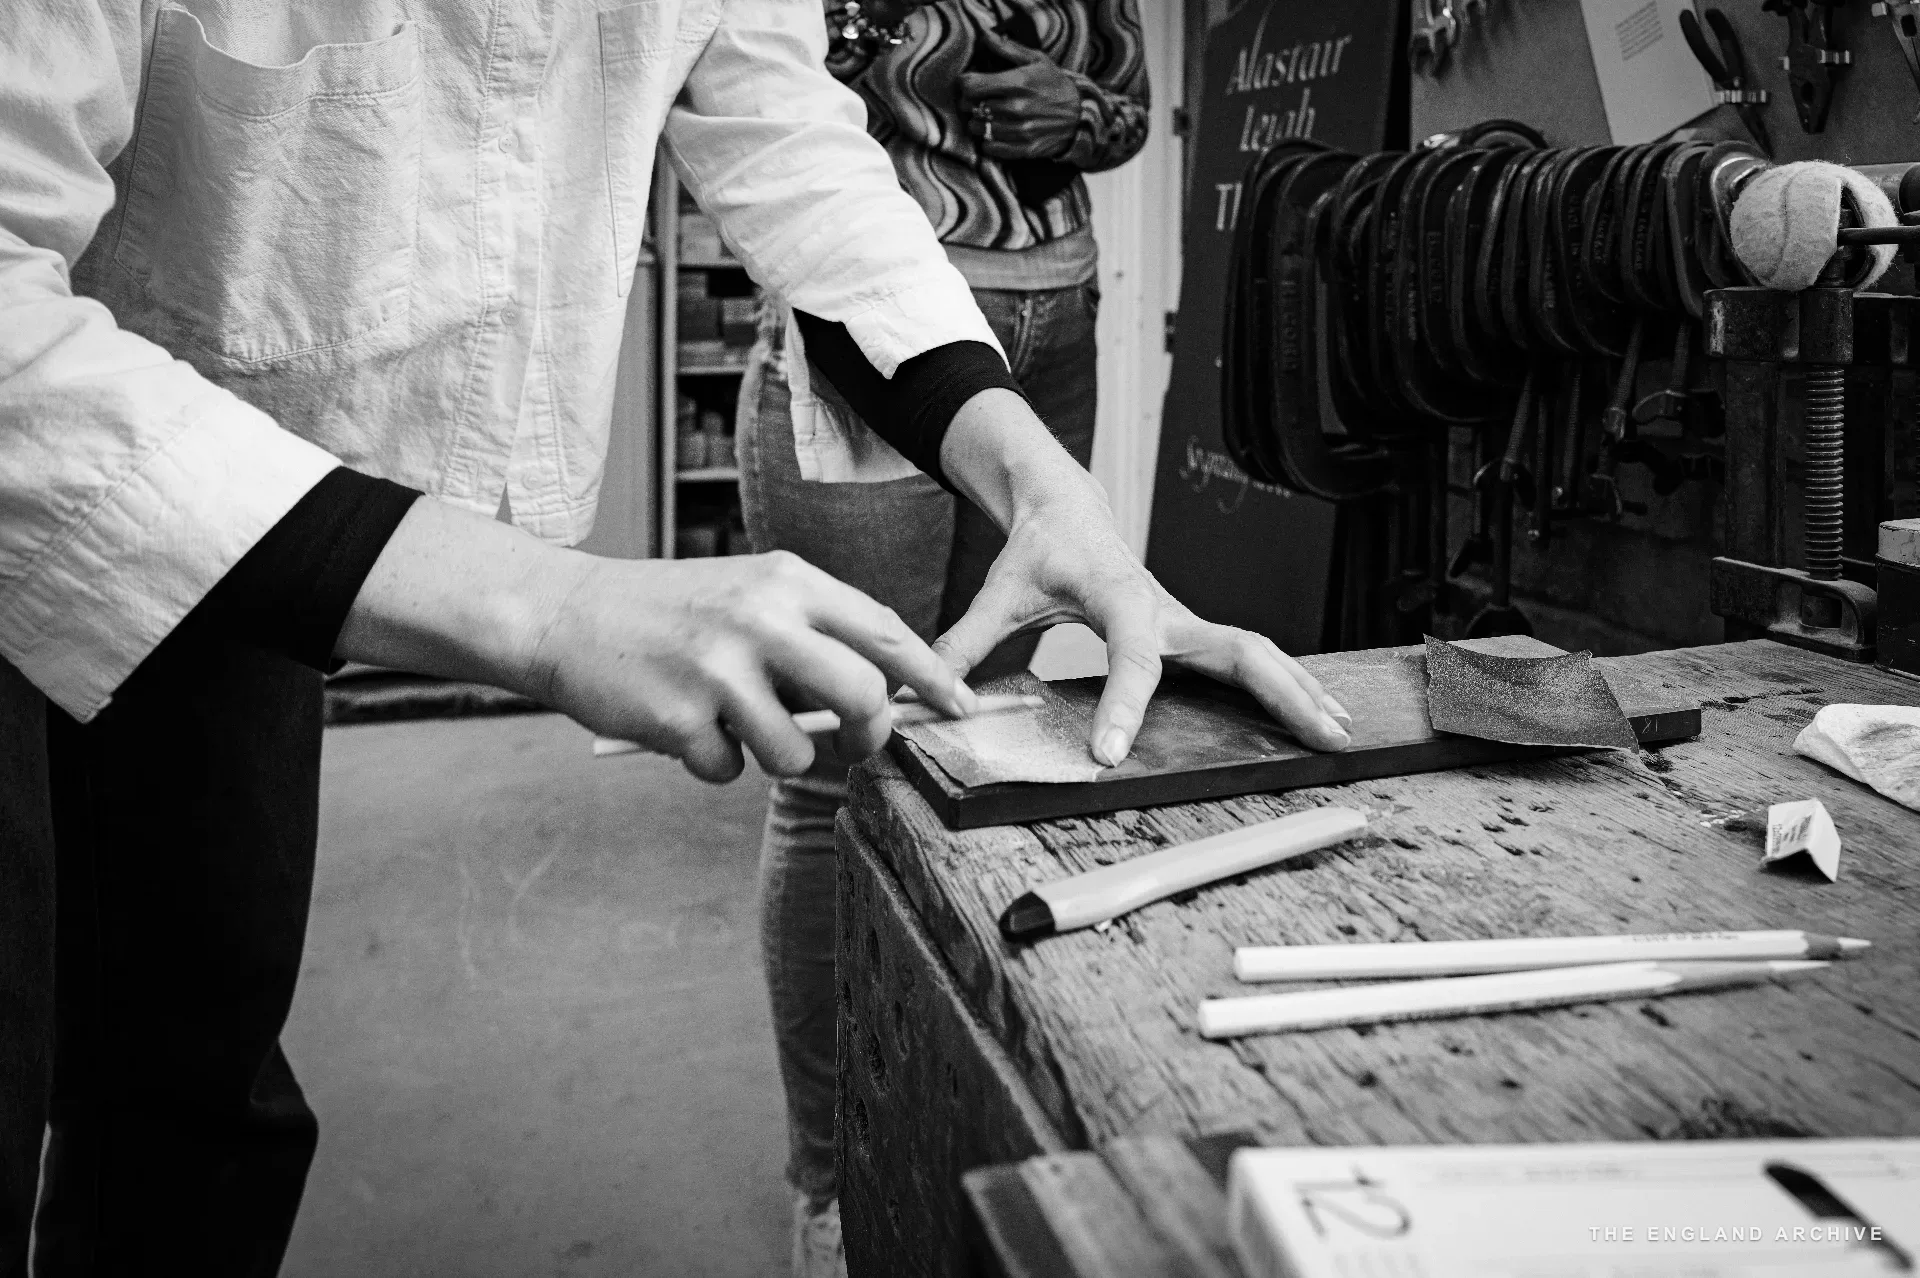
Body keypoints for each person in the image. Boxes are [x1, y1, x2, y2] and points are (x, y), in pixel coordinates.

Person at [0, 2, 1352, 1274]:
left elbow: (789, 142)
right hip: (90, 459)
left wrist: (1032, 475)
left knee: (191, 1078)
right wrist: (554, 604)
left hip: (258, 544)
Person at [733, 2, 1183, 1272]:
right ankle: (831, 1178)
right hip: (877, 326)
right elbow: (752, 111)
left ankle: (954, 1101)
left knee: (988, 728)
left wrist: (1078, 109)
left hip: (1056, 311)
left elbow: (1131, 108)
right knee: (841, 759)